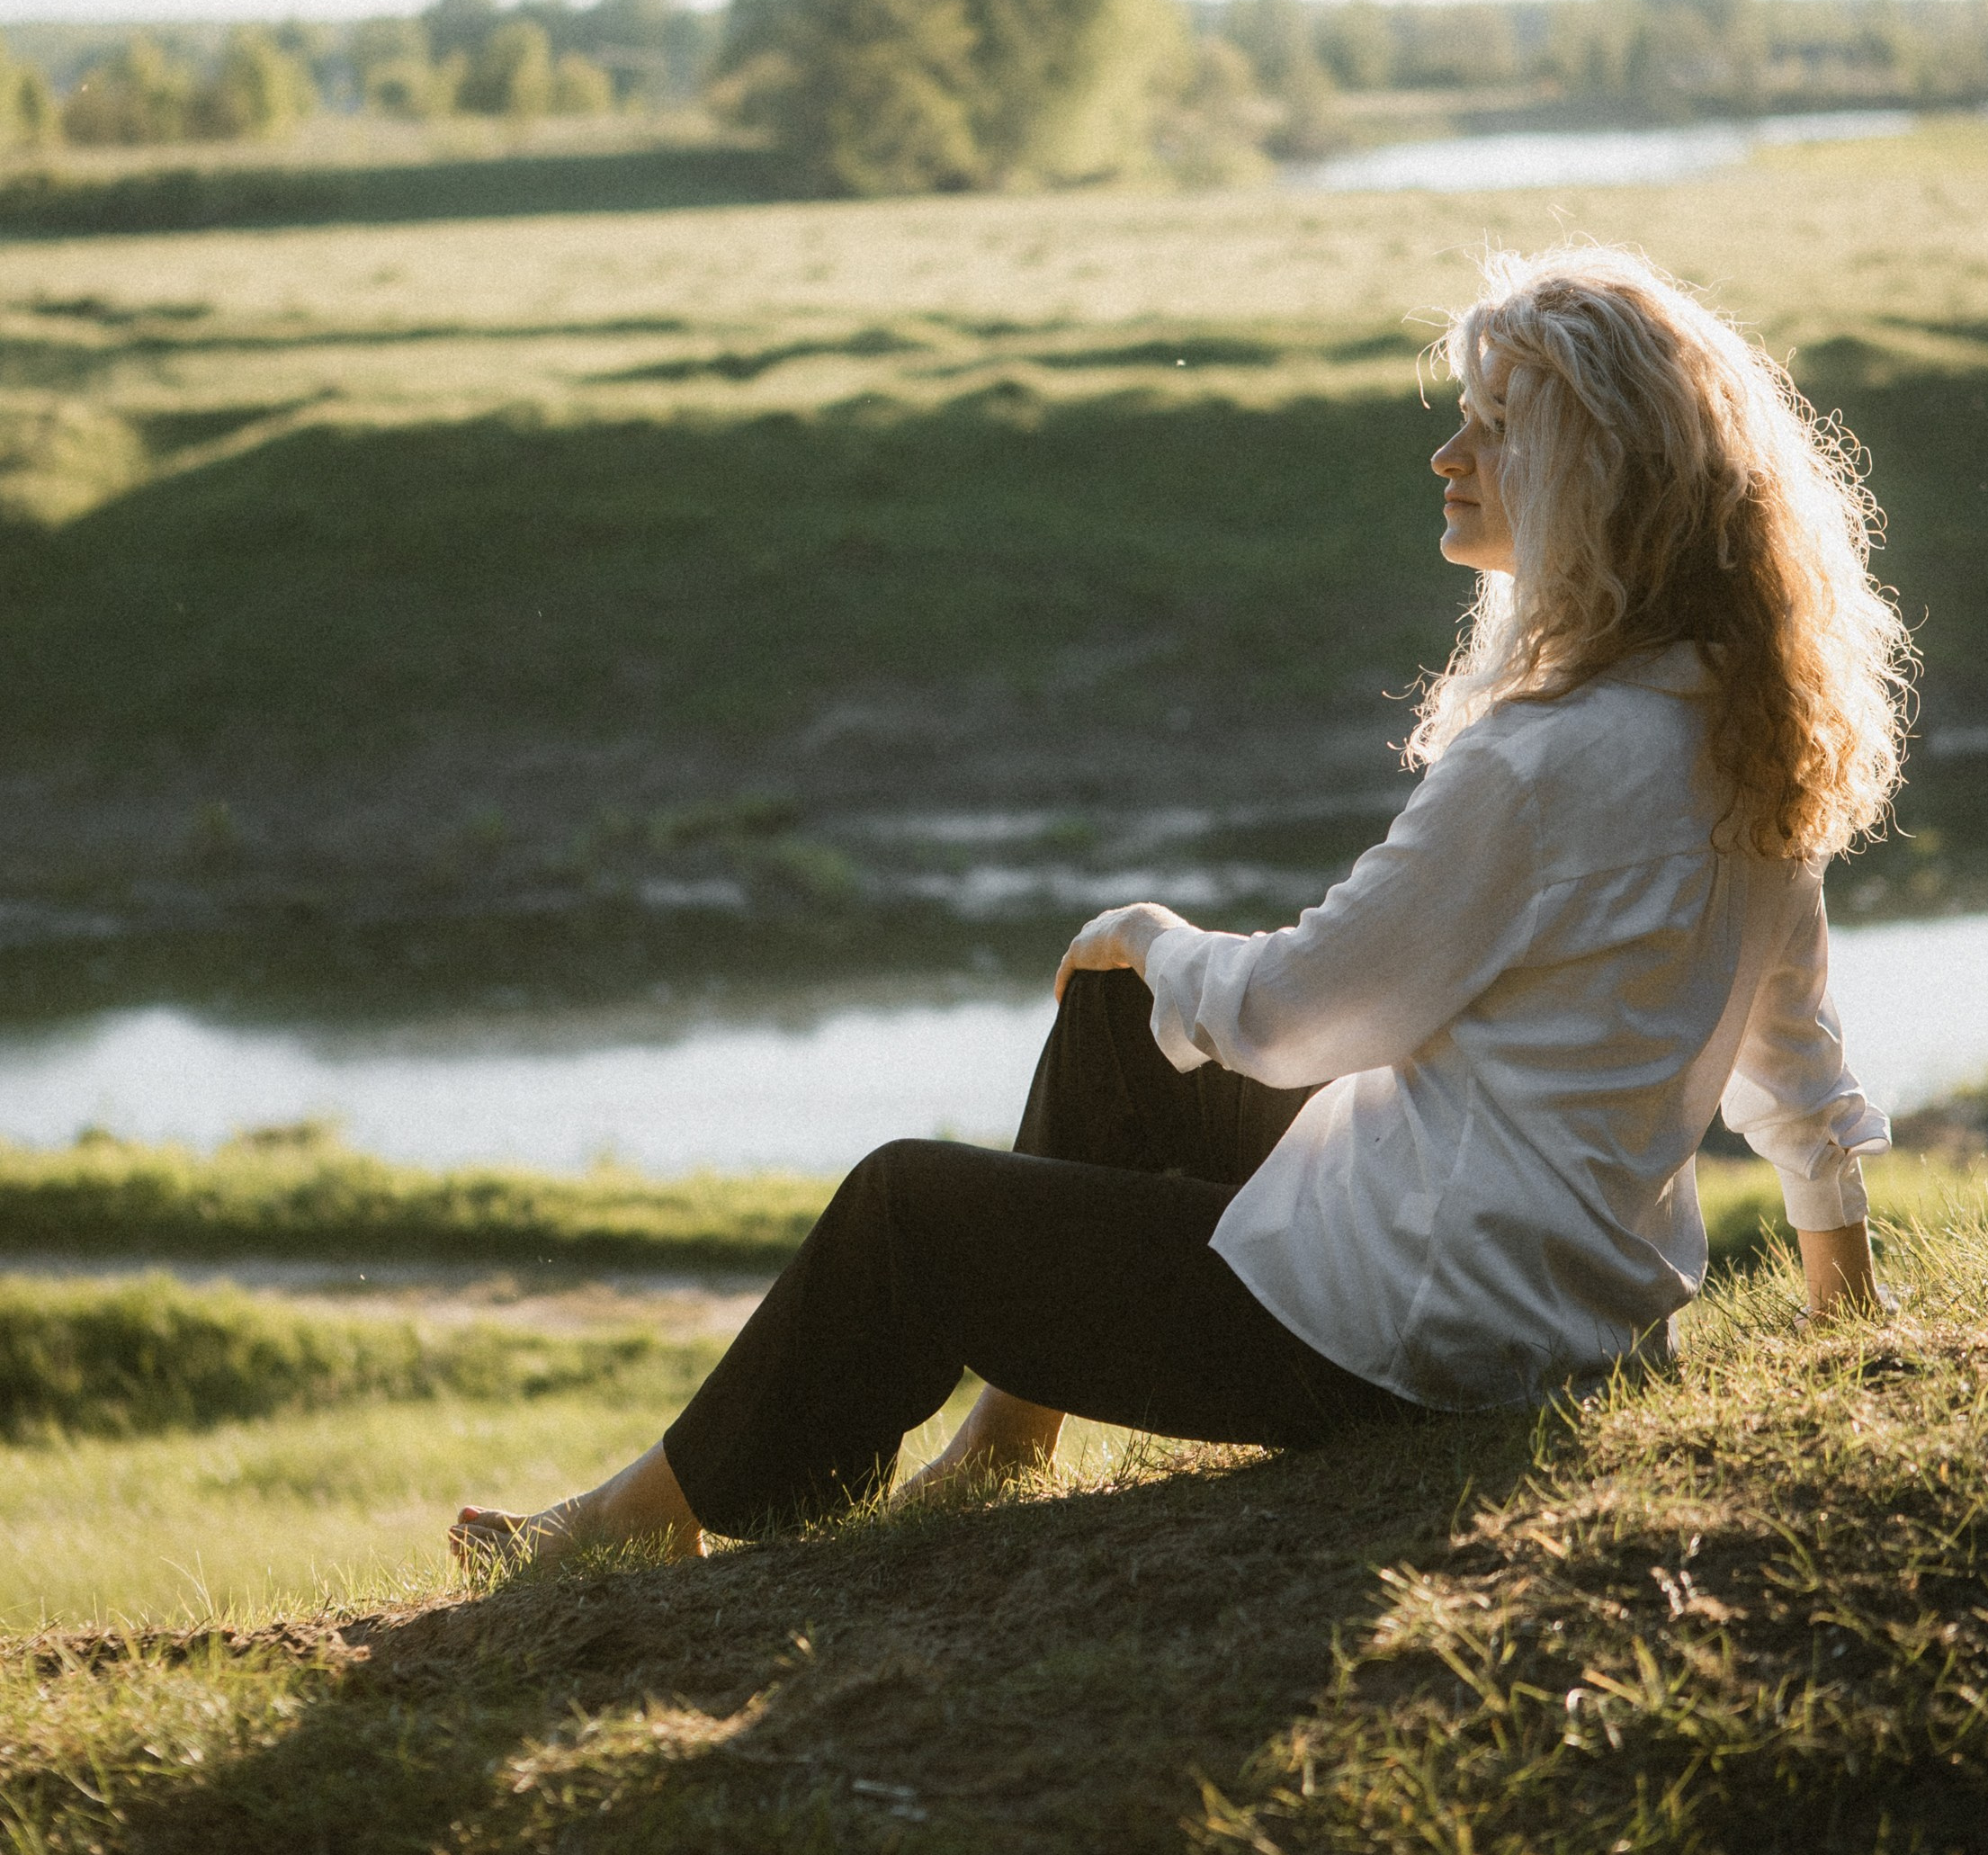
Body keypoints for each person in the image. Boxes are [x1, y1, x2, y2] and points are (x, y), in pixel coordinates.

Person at [452, 243, 1910, 1571]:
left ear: (1597, 472)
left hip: (1405, 1335)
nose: (1446, 453)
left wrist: (1153, 933)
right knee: (1113, 1028)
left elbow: (1291, 1021)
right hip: (1557, 1307)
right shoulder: (1734, 722)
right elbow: (1793, 1045)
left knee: (909, 1201)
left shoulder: (1539, 761)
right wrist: (1841, 1300)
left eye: (1496, 425)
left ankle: (636, 1529)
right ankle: (1005, 1442)